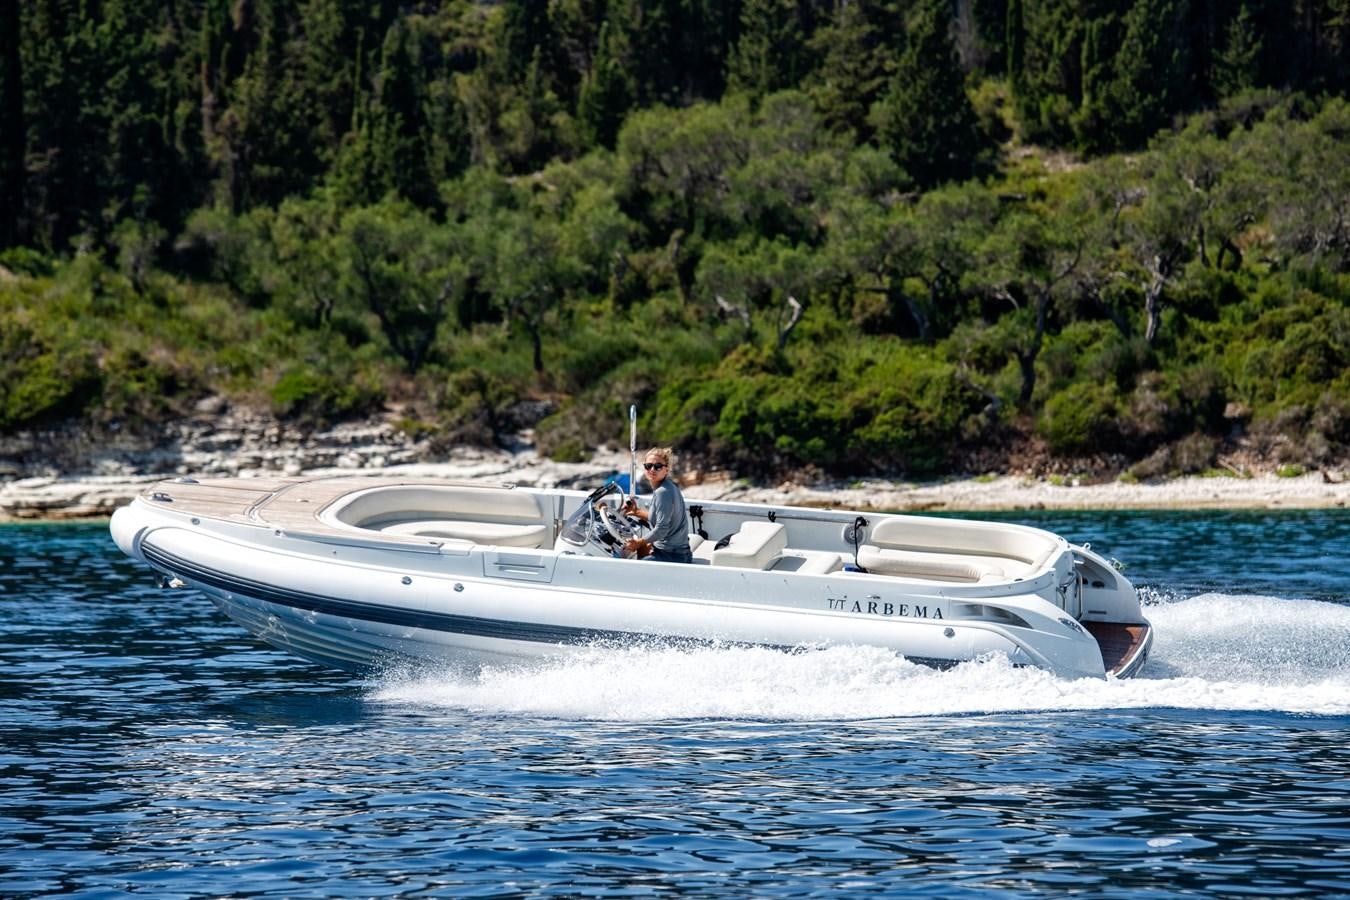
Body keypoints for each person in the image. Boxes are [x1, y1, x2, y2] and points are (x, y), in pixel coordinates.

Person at [621, 447, 692, 563]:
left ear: (666, 470)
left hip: (673, 556)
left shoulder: (662, 492)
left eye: (658, 466)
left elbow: (662, 529)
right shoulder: (668, 487)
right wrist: (636, 511)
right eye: (648, 466)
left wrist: (639, 542)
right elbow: (661, 517)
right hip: (679, 552)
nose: (652, 469)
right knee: (642, 547)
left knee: (633, 568)